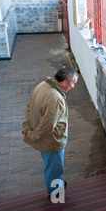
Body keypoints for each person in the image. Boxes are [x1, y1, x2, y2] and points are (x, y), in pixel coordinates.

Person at [22, 66, 78, 198]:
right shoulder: (55, 98)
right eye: (73, 83)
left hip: (43, 139)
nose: (74, 86)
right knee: (54, 169)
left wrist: (27, 126)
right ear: (65, 82)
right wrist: (32, 135)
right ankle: (55, 194)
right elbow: (47, 126)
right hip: (52, 141)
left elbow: (28, 106)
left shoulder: (42, 85)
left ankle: (56, 184)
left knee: (51, 166)